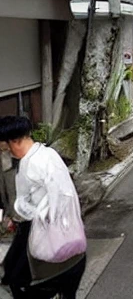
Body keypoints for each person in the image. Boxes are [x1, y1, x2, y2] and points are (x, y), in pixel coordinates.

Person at [0, 116, 86, 298]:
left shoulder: (29, 165)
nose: (6, 152)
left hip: (47, 240)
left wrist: (18, 215)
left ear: (14, 142)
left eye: (5, 148)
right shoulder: (49, 153)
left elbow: (24, 207)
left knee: (18, 281)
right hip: (74, 240)